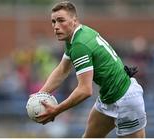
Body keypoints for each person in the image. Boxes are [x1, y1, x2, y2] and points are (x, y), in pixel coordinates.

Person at [35, 1, 147, 138]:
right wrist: (40, 94)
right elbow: (62, 70)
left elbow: (85, 90)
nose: (56, 26)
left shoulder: (79, 45)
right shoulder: (76, 36)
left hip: (125, 99)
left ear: (74, 21)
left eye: (61, 20)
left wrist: (57, 110)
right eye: (53, 22)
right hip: (109, 97)